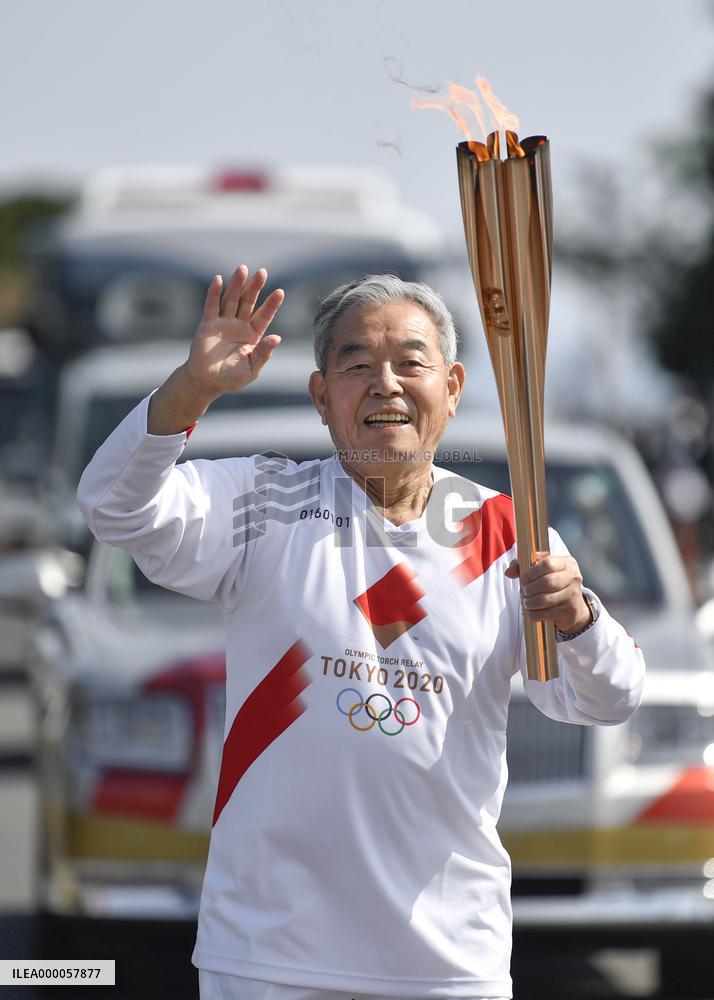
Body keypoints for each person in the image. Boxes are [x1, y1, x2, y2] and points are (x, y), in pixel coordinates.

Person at [76, 265, 645, 1000]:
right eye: (356, 365)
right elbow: (114, 506)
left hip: (447, 961)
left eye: (411, 362)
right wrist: (194, 386)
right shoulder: (264, 502)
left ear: (454, 387)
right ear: (322, 397)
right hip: (270, 952)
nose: (386, 384)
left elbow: (609, 698)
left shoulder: (509, 535)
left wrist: (578, 619)